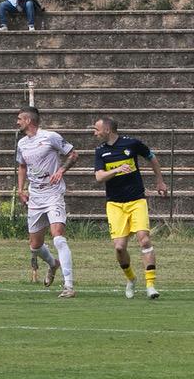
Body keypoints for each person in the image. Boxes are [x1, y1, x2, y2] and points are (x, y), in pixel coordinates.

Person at [93, 117, 168, 300]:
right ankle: (132, 279)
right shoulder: (100, 151)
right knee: (119, 248)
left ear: (108, 130)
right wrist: (117, 169)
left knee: (144, 240)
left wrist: (159, 180)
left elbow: (152, 158)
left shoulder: (132, 144)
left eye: (97, 129)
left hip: (136, 201)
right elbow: (99, 177)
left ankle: (150, 285)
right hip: (115, 204)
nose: (94, 133)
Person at [16, 105, 78, 298]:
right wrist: (20, 190)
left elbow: (73, 154)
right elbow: (22, 166)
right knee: (35, 245)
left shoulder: (50, 137)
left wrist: (61, 170)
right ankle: (53, 264)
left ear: (28, 121)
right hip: (35, 196)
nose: (17, 122)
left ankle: (68, 286)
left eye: (19, 119)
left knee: (58, 236)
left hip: (53, 193)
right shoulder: (22, 144)